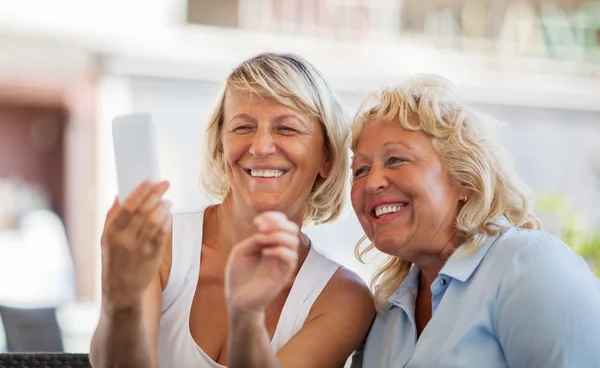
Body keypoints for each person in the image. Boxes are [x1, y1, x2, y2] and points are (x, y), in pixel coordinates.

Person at [90, 52, 374, 368]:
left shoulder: (341, 297)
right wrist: (122, 300)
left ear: (327, 158)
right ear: (220, 149)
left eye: (286, 129)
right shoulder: (160, 244)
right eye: (243, 127)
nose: (261, 147)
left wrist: (245, 319)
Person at [349, 75, 600, 367]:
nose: (371, 183)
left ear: (465, 180)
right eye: (360, 170)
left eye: (396, 160)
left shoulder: (527, 264)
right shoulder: (385, 312)